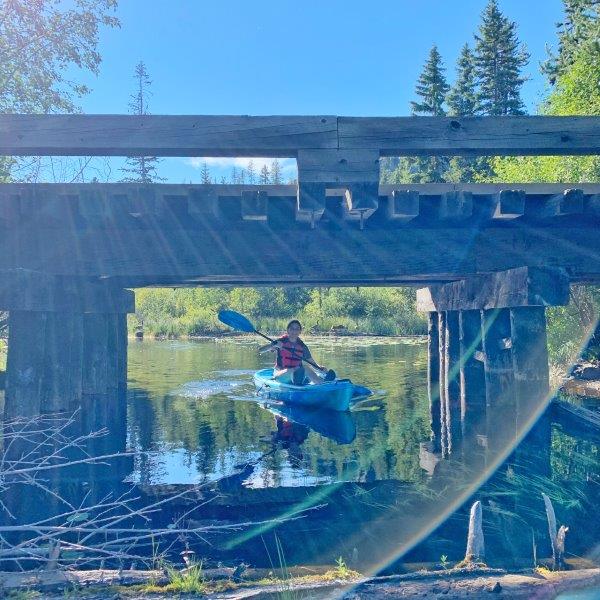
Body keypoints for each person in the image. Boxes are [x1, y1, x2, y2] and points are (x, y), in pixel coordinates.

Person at [259, 320, 327, 385]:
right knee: (293, 370)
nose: (294, 331)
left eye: (297, 329)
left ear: (300, 331)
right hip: (281, 374)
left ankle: (322, 383)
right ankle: (297, 380)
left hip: (297, 372)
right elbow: (261, 350)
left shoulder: (302, 346)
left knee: (305, 368)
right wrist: (273, 345)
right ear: (288, 330)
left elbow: (312, 362)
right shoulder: (280, 342)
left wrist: (320, 368)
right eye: (292, 328)